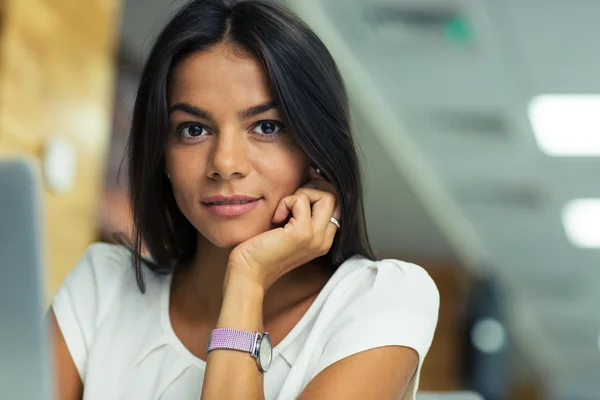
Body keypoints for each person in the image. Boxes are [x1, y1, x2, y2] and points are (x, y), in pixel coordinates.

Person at [48, 0, 440, 399]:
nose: (225, 163)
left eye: (266, 126)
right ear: (162, 155)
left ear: (314, 152)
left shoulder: (382, 299)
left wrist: (247, 279)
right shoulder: (102, 287)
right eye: (193, 130)